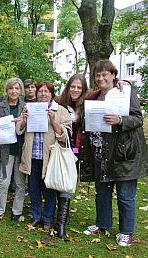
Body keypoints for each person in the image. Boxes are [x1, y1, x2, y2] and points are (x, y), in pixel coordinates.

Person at [80, 59, 148, 247]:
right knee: (102, 192)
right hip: (100, 153)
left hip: (123, 154)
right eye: (98, 75)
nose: (101, 78)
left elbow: (137, 119)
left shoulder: (124, 93)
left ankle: (126, 232)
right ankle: (103, 224)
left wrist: (119, 120)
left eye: (105, 74)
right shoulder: (93, 97)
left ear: (113, 75)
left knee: (125, 194)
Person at [18, 82, 71, 230]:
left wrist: (54, 121)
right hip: (33, 156)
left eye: (47, 91)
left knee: (49, 190)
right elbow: (19, 130)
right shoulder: (29, 108)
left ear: (52, 94)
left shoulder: (60, 110)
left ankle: (48, 219)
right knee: (34, 189)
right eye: (40, 91)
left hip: (51, 157)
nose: (43, 94)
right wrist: (24, 120)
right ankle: (36, 217)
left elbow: (65, 135)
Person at [55, 74, 88, 238]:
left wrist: (120, 83)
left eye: (79, 87)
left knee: (67, 183)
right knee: (55, 179)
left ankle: (61, 222)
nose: (75, 90)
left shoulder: (86, 106)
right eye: (73, 86)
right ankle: (53, 215)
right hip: (58, 147)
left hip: (76, 151)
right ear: (68, 87)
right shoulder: (59, 103)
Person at [0, 78, 26, 221]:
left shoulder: (25, 107)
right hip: (6, 149)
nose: (14, 91)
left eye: (17, 88)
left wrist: (22, 122)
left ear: (21, 90)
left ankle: (17, 211)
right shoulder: (0, 107)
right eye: (11, 88)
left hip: (21, 149)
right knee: (3, 182)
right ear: (7, 90)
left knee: (20, 183)